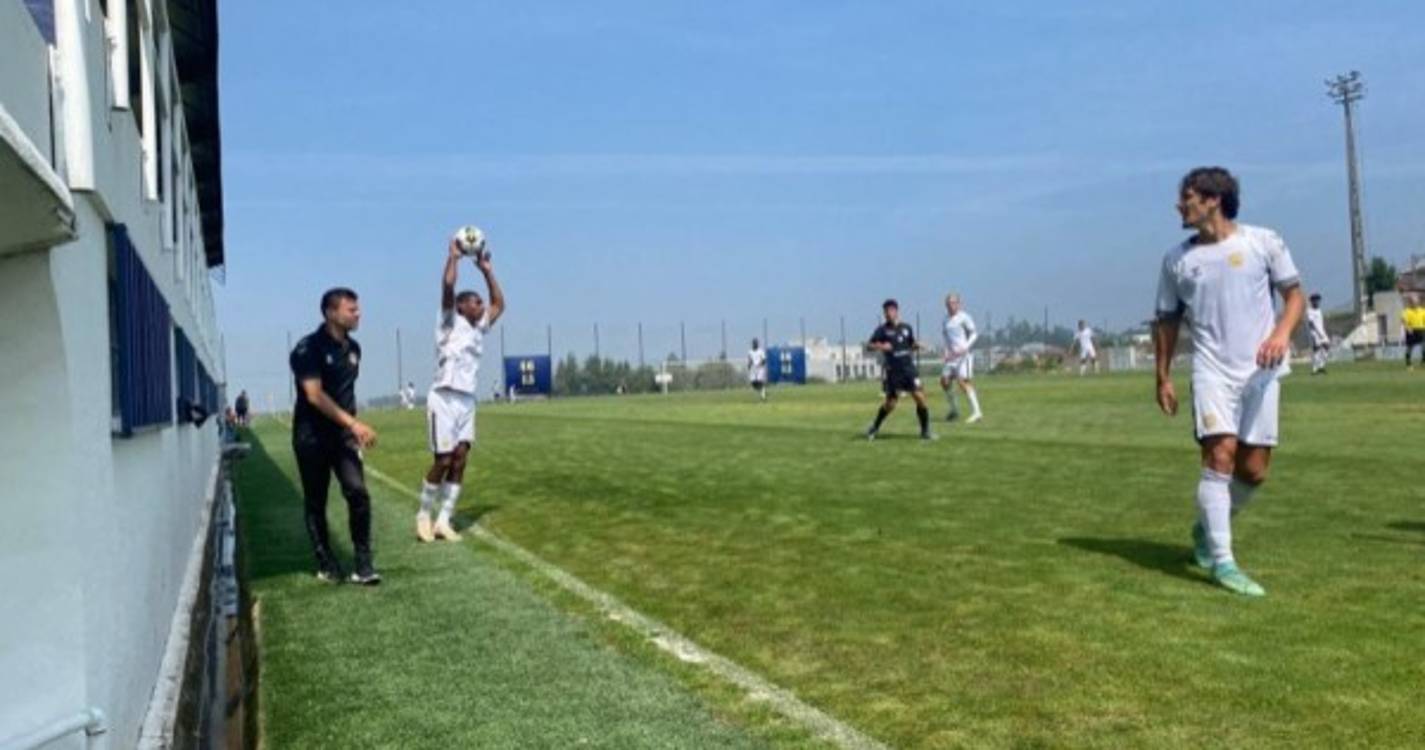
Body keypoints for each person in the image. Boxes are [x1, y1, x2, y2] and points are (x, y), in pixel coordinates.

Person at [1154, 166, 1304, 597]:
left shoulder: (1263, 242)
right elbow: (1166, 321)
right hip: (1211, 371)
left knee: (1253, 471)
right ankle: (1223, 562)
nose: (1179, 205)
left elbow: (1294, 295)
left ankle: (1205, 530)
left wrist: (1280, 334)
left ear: (1212, 200)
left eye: (1187, 197)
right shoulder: (1177, 260)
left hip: (1260, 371)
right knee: (1219, 455)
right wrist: (1162, 376)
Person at [415, 240, 506, 543]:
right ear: (460, 306)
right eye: (474, 302)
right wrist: (453, 258)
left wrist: (487, 271)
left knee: (461, 458)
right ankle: (424, 515)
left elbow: (499, 305)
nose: (481, 306)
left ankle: (444, 519)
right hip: (443, 396)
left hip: (466, 399)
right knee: (442, 460)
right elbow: (448, 287)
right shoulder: (447, 322)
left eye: (480, 303)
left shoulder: (480, 328)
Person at [289, 288, 381, 585]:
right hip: (311, 437)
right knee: (316, 501)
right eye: (351, 309)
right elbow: (314, 396)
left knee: (358, 492)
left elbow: (344, 392)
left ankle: (363, 564)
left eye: (358, 309)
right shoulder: (307, 349)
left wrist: (349, 428)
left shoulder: (354, 349)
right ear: (331, 313)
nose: (358, 314)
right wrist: (354, 423)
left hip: (342, 438)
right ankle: (326, 562)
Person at [866, 299, 935, 440]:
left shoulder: (906, 327)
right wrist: (881, 346)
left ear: (896, 311)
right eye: (886, 311)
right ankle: (875, 426)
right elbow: (869, 345)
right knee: (891, 404)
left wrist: (919, 345)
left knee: (920, 398)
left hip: (909, 370)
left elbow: (910, 344)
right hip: (894, 372)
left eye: (891, 310)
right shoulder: (882, 330)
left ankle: (925, 431)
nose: (888, 313)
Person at [939, 293, 983, 423]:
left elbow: (974, 333)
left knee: (963, 382)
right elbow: (946, 338)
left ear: (959, 304)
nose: (951, 305)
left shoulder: (964, 317)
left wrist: (966, 347)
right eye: (949, 303)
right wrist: (946, 352)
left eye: (954, 303)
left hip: (964, 356)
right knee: (944, 381)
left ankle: (977, 412)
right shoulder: (945, 320)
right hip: (952, 357)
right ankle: (954, 410)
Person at [1306, 293, 1330, 375]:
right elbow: (1311, 323)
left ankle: (1321, 366)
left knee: (1327, 346)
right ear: (1312, 301)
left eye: (1318, 300)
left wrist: (1322, 332)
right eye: (1316, 300)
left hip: (1322, 332)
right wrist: (1318, 333)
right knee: (1317, 349)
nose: (1317, 302)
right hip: (1315, 333)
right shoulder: (1310, 311)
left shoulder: (1319, 310)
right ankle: (1314, 370)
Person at [1403, 296, 1425, 370]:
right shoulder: (1407, 311)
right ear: (1410, 303)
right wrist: (1408, 328)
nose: (1414, 303)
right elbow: (1404, 320)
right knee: (1410, 348)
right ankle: (1408, 364)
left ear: (1418, 302)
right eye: (1412, 302)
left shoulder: (1422, 311)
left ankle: (1423, 361)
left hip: (1421, 329)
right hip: (1411, 330)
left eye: (1415, 301)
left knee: (1424, 346)